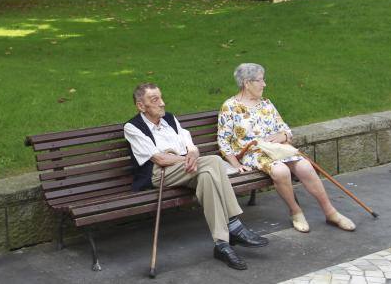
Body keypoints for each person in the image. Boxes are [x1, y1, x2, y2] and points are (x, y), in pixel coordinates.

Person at [124, 83, 268, 271]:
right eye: (155, 100)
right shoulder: (133, 127)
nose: (162, 103)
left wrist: (192, 154)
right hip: (160, 173)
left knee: (207, 176)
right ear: (141, 106)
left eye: (161, 97)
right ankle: (235, 226)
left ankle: (222, 245)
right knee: (214, 162)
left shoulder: (170, 119)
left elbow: (190, 145)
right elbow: (159, 158)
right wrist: (186, 159)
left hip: (188, 168)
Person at [217, 63, 355, 234]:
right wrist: (236, 165)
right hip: (253, 153)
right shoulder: (229, 107)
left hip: (277, 149)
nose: (264, 84)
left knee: (305, 166)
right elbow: (223, 142)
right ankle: (295, 211)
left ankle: (330, 212)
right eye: (260, 80)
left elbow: (286, 130)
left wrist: (282, 137)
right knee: (281, 171)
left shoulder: (266, 104)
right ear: (247, 83)